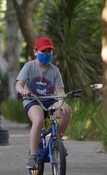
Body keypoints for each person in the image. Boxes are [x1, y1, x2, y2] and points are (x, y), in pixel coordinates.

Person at [15, 37, 72, 170]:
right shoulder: (29, 67)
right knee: (39, 119)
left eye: (49, 52)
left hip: (50, 99)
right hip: (33, 99)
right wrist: (22, 90)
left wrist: (61, 101)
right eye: (43, 51)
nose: (46, 54)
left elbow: (60, 91)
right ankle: (33, 156)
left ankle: (57, 142)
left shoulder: (54, 70)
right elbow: (18, 84)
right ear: (35, 52)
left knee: (66, 112)